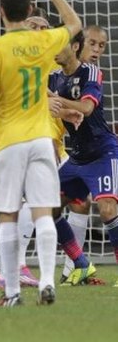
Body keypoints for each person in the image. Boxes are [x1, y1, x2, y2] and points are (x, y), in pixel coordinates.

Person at [0, 0, 82, 307]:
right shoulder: (42, 41)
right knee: (42, 211)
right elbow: (74, 24)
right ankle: (47, 281)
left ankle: (12, 292)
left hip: (8, 140)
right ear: (31, 10)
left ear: (0, 11)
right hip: (41, 140)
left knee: (8, 214)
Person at [48, 30, 118, 286]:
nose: (97, 49)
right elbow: (36, 92)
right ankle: (81, 263)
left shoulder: (90, 72)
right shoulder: (54, 77)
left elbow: (87, 108)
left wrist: (56, 101)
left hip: (102, 153)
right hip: (76, 158)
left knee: (107, 208)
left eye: (102, 45)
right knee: (47, 207)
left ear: (74, 47)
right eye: (94, 43)